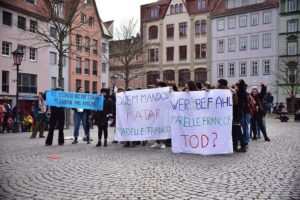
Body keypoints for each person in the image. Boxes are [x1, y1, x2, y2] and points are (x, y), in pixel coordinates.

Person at [218, 79, 246, 152]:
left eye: (237, 85)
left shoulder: (239, 93)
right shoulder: (237, 92)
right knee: (234, 130)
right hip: (234, 113)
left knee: (237, 130)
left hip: (236, 114)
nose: (235, 87)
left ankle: (242, 145)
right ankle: (235, 146)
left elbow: (236, 103)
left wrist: (234, 93)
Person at [237, 80, 251, 146]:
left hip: (244, 112)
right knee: (244, 126)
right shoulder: (243, 92)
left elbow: (242, 103)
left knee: (244, 126)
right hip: (244, 112)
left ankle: (246, 140)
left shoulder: (242, 93)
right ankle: (245, 139)